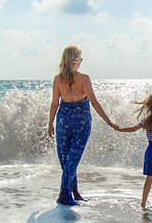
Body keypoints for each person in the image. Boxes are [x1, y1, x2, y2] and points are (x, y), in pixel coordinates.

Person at [47, 46, 116, 206]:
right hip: (81, 120)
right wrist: (108, 121)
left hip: (63, 119)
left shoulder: (58, 79)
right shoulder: (84, 79)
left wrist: (50, 123)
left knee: (67, 158)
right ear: (77, 61)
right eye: (80, 58)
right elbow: (94, 102)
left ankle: (74, 191)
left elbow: (54, 104)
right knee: (72, 158)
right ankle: (64, 194)